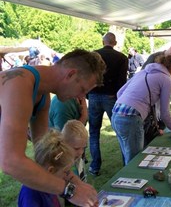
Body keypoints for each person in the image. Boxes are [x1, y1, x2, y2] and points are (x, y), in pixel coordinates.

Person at [0, 48, 106, 207]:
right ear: (71, 74)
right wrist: (71, 191)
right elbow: (11, 162)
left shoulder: (42, 96)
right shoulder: (19, 83)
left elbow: (45, 153)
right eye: (82, 90)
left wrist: (77, 182)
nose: (81, 98)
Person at [111, 55, 171, 165]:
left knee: (127, 154)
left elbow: (119, 93)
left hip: (116, 113)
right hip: (132, 117)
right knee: (134, 160)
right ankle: (131, 181)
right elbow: (165, 113)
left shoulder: (142, 72)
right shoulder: (166, 79)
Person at [88, 32, 128, 176]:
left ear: (102, 41)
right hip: (111, 96)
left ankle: (95, 166)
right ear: (115, 42)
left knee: (93, 133)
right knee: (120, 132)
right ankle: (126, 163)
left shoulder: (92, 55)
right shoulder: (122, 58)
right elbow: (122, 81)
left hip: (94, 95)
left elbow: (87, 75)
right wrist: (116, 95)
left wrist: (89, 93)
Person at [18, 129, 74, 207]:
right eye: (66, 171)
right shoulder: (30, 194)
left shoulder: (50, 183)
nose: (67, 176)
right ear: (51, 170)